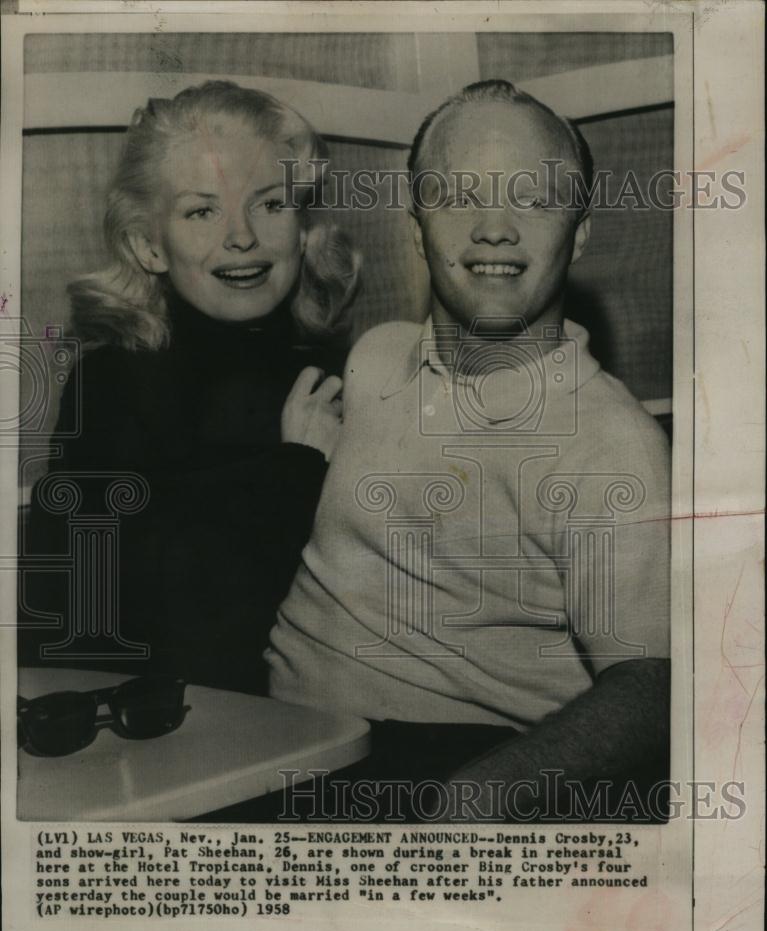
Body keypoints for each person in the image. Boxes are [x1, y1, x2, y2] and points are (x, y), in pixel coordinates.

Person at [264, 80, 670, 821]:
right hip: (268, 744)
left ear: (578, 234)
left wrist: (473, 798)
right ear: (417, 231)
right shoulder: (376, 358)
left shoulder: (612, 445)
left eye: (534, 199)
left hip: (436, 769)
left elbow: (652, 687)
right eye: (457, 195)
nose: (494, 228)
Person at [21, 80, 360, 694]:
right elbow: (112, 615)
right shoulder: (115, 381)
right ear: (149, 245)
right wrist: (294, 469)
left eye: (270, 204)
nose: (241, 237)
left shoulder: (332, 368)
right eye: (202, 210)